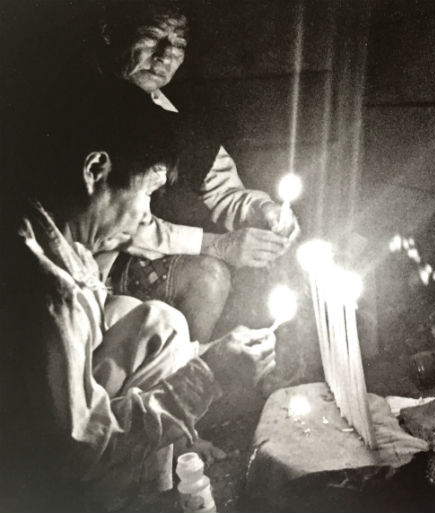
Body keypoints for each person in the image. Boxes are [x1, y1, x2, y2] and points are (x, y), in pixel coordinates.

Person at [0, 102, 275, 512]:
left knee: (156, 323)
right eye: (146, 192)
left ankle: (155, 481)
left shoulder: (45, 228)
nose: (147, 213)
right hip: (26, 477)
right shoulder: (50, 290)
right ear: (95, 170)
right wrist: (207, 374)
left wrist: (206, 357)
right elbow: (79, 448)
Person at [90, 0, 299, 344]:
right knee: (208, 275)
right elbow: (113, 222)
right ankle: (187, 379)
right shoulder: (81, 106)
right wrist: (216, 246)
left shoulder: (173, 114)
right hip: (90, 266)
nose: (165, 56)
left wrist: (263, 210)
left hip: (138, 252)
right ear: (110, 33)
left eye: (178, 45)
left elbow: (223, 190)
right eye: (152, 36)